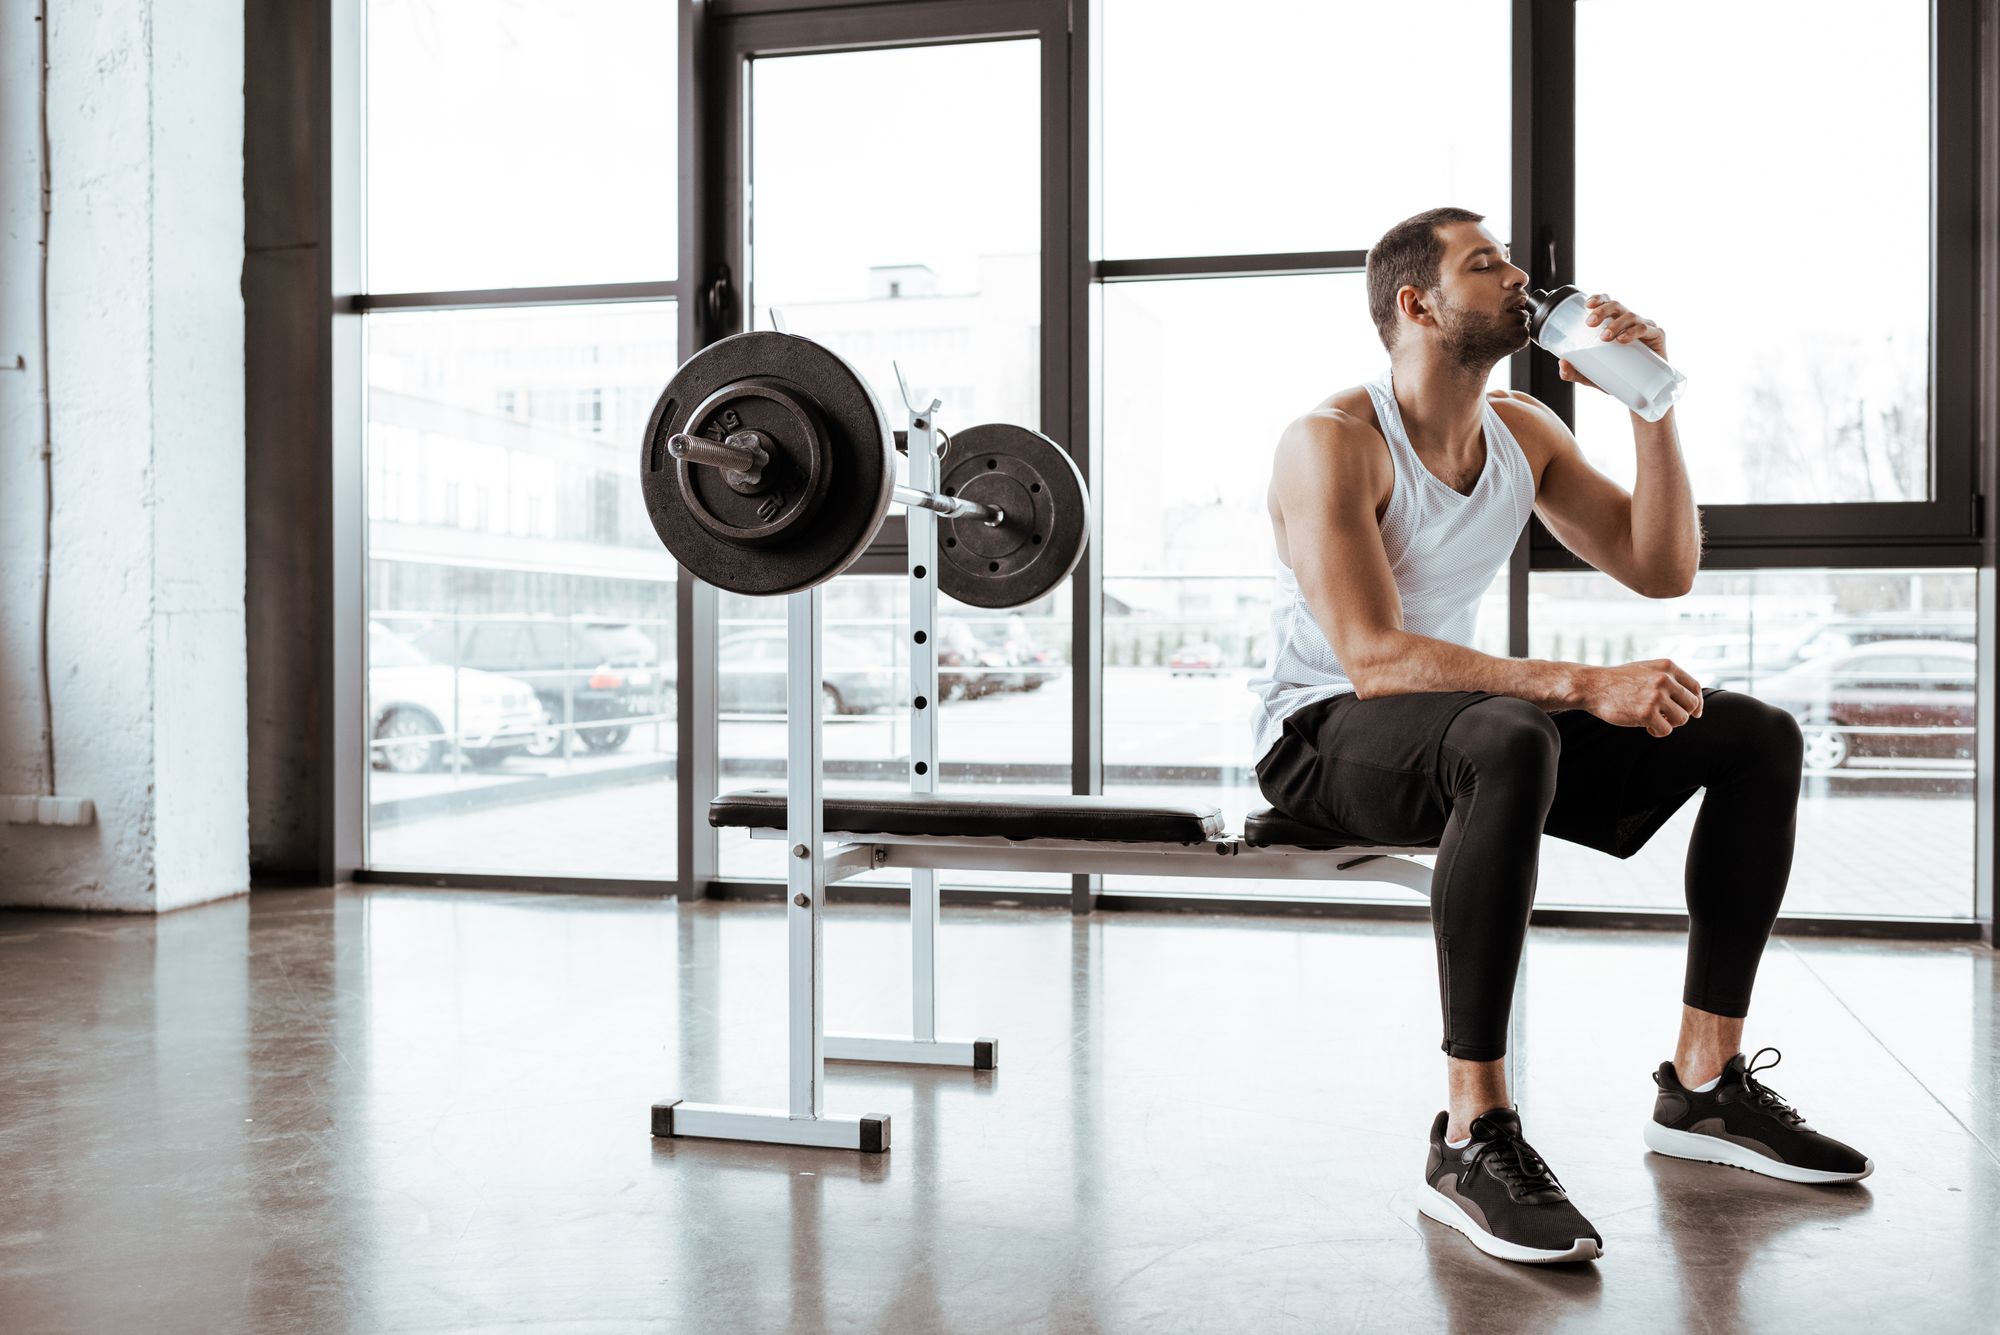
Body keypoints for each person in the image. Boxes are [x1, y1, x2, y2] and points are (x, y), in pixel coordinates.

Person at [1248, 206, 1873, 1266]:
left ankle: (1702, 1087)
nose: (1517, 281)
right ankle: (1468, 1134)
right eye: (1483, 264)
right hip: (1319, 737)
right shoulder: (1332, 441)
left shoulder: (1523, 436)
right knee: (1509, 735)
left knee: (1751, 735)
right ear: (1414, 304)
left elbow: (1660, 567)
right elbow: (1370, 657)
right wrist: (1582, 686)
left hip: (1459, 727)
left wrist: (1649, 403)